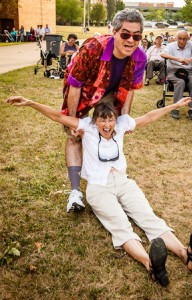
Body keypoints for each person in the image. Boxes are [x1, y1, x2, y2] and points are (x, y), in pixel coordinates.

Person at [6, 95, 192, 287]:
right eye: (102, 120)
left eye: (110, 120)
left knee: (148, 217)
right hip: (98, 187)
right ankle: (151, 264)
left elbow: (148, 117)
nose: (107, 125)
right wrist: (31, 103)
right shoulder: (87, 127)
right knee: (120, 225)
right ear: (96, 121)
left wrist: (174, 106)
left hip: (123, 181)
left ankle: (186, 254)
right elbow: (57, 116)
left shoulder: (121, 126)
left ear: (115, 120)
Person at [61, 9, 147, 213]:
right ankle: (75, 192)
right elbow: (75, 85)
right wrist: (73, 120)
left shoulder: (140, 57)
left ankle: (103, 178)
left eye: (136, 36)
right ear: (114, 32)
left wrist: (125, 118)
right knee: (74, 136)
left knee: (108, 132)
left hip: (111, 92)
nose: (130, 40)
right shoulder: (92, 48)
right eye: (125, 34)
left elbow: (131, 89)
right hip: (84, 88)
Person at [161, 30, 192, 120]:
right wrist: (178, 59)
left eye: (184, 39)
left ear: (188, 39)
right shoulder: (171, 45)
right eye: (180, 39)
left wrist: (190, 59)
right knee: (180, 82)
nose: (182, 41)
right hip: (173, 69)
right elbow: (162, 54)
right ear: (176, 38)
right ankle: (175, 108)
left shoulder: (191, 44)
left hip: (187, 70)